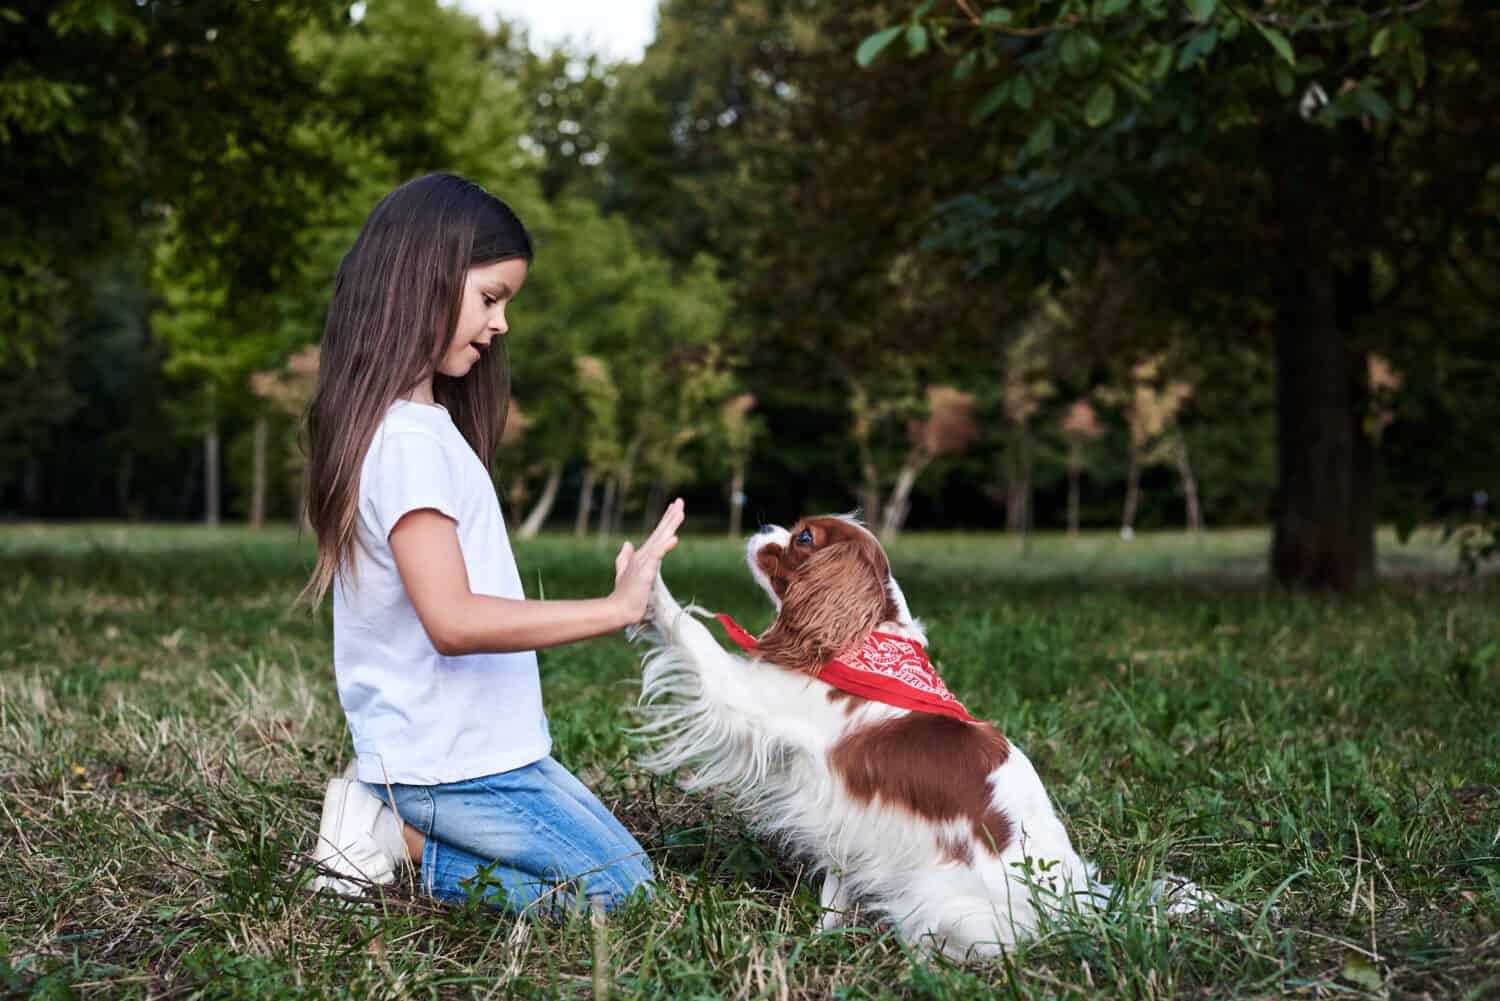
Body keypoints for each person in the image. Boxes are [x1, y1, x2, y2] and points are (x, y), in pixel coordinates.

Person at [300, 172, 683, 915]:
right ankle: (391, 836)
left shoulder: (419, 426)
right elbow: (454, 621)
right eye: (491, 297)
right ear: (424, 278)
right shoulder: (406, 442)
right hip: (450, 769)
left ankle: (398, 826)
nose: (501, 323)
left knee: (627, 873)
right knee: (626, 896)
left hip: (482, 753)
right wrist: (613, 608)